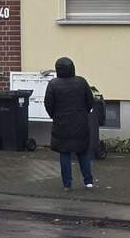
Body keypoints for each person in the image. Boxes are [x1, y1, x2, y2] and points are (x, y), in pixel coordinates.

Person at [43, 57, 95, 190]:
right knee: (83, 152)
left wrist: (54, 116)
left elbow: (48, 104)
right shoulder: (81, 82)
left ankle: (67, 184)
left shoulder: (53, 84)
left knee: (64, 153)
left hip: (61, 124)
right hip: (80, 123)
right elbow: (90, 101)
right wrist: (84, 113)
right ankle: (88, 181)